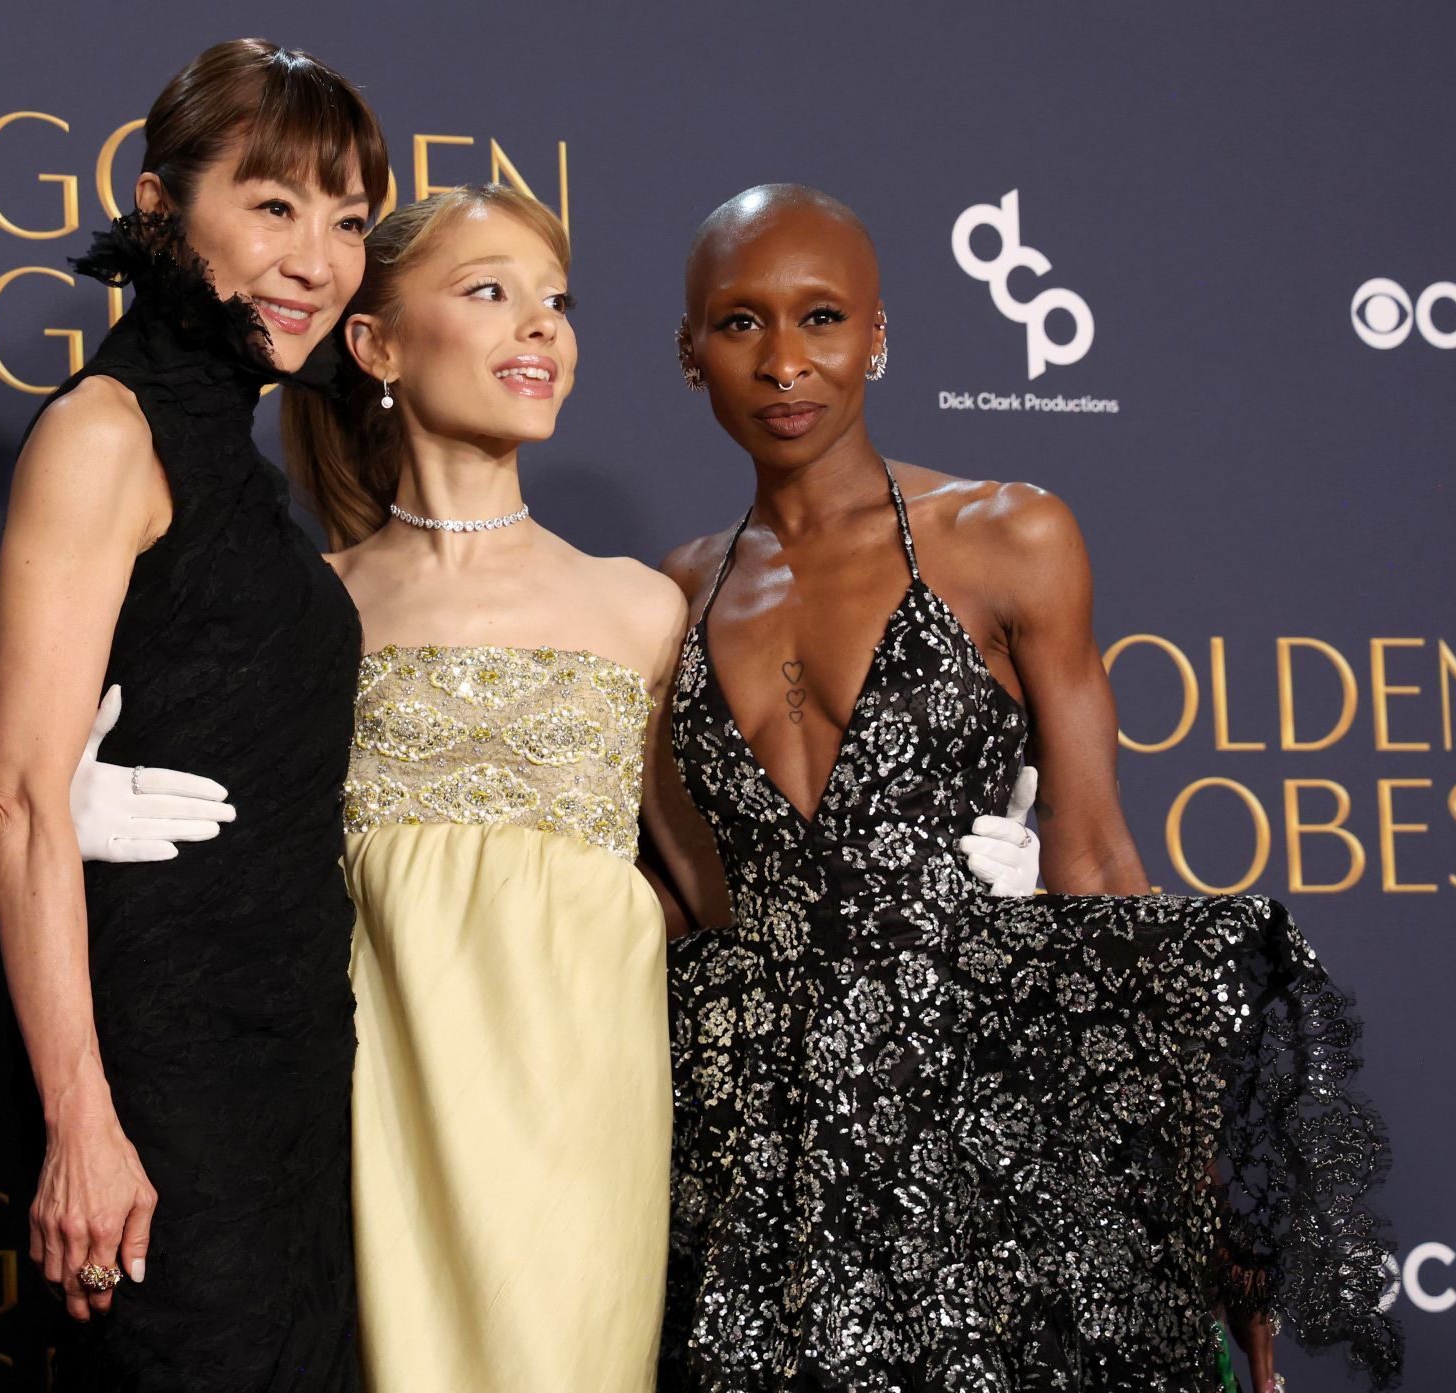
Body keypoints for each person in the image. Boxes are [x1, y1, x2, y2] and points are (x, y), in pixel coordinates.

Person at [67, 184, 1044, 1391]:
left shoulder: (642, 605)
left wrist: (964, 887)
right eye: (491, 294)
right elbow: (238, 871)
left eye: (558, 303)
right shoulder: (311, 605)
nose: (542, 329)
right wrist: (70, 819)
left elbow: (720, 897)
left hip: (584, 1106)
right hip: (362, 1097)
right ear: (372, 345)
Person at [653, 184, 1400, 1393]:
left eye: (824, 317)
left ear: (880, 336)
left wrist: (1197, 1200)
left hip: (975, 1111)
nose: (785, 362)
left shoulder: (1007, 535)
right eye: (740, 324)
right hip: (748, 1137)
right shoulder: (668, 597)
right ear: (689, 354)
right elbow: (683, 897)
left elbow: (1097, 863)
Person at [0, 39, 387, 1390]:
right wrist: (80, 1120)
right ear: (162, 207)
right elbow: (23, 795)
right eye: (273, 207)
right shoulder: (107, 432)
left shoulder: (245, 461)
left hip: (293, 1064)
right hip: (163, 1081)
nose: (316, 261)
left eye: (347, 222)